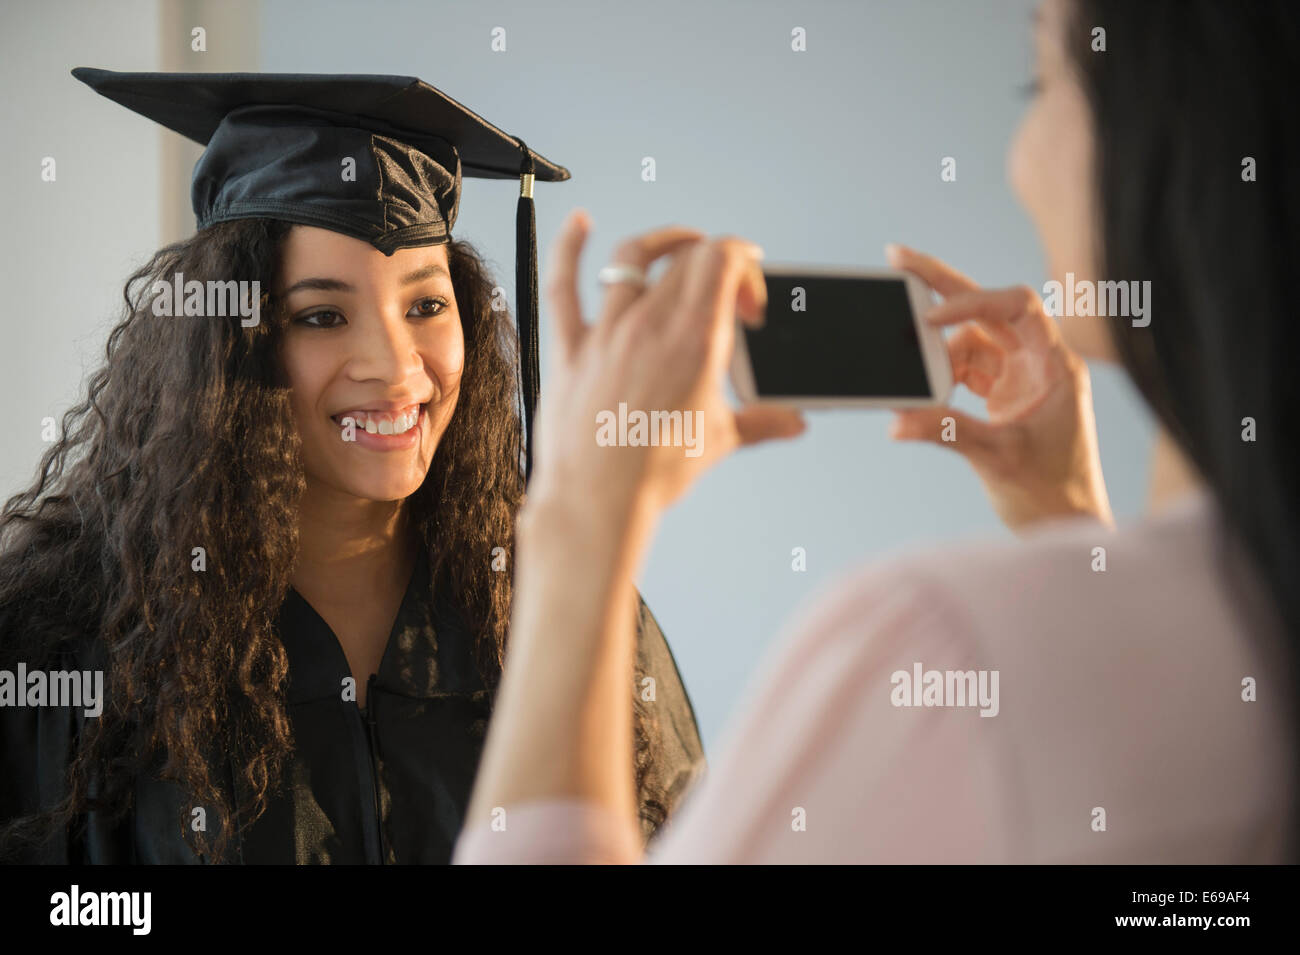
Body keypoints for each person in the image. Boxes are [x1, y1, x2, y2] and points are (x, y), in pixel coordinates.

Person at [453, 0, 1298, 863]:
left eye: (1039, 81)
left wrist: (581, 521)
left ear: (1161, 132)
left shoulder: (934, 642)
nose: (1016, 157)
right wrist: (1069, 523)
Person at [0, 69, 704, 864]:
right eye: (323, 315)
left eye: (425, 306)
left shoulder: (553, 605)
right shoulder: (76, 651)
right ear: (232, 345)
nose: (397, 370)